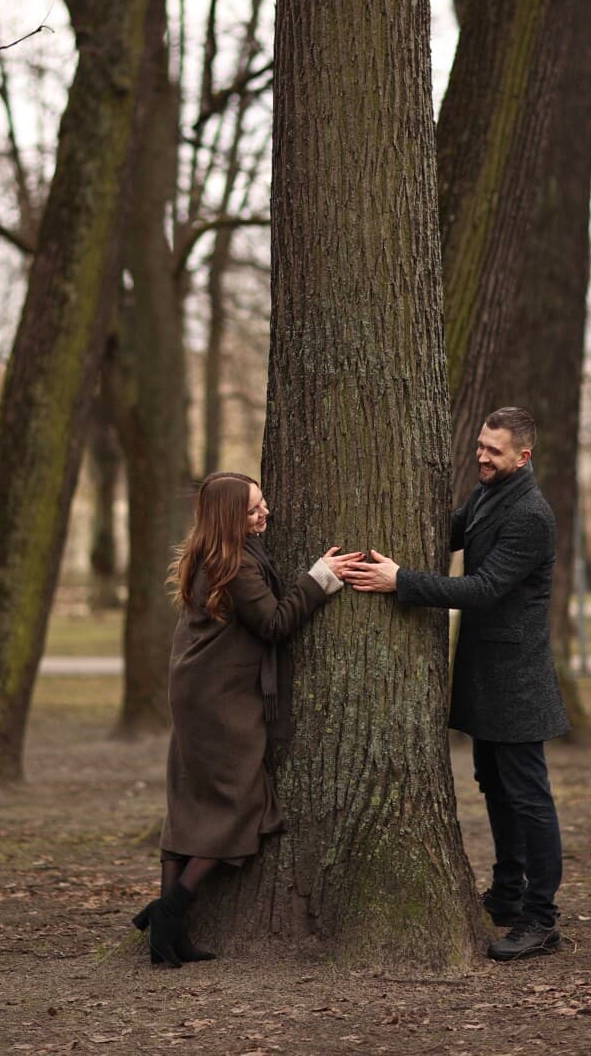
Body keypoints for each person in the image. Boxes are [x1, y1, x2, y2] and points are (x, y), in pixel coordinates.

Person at [344, 407, 568, 962]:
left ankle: (542, 919)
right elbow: (453, 530)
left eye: (495, 450)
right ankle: (508, 893)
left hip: (516, 678)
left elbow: (485, 587)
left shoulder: (532, 514)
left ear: (524, 455)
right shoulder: (489, 492)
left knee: (529, 797)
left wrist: (402, 581)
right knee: (494, 784)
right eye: (481, 445)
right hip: (485, 671)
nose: (483, 456)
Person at [132, 471, 360, 966]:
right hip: (220, 698)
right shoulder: (234, 565)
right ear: (229, 518)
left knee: (191, 801)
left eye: (264, 504)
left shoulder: (215, 554)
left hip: (200, 688)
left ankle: (166, 935)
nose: (266, 515)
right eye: (254, 509)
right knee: (242, 801)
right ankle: (171, 911)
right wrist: (322, 578)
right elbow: (276, 624)